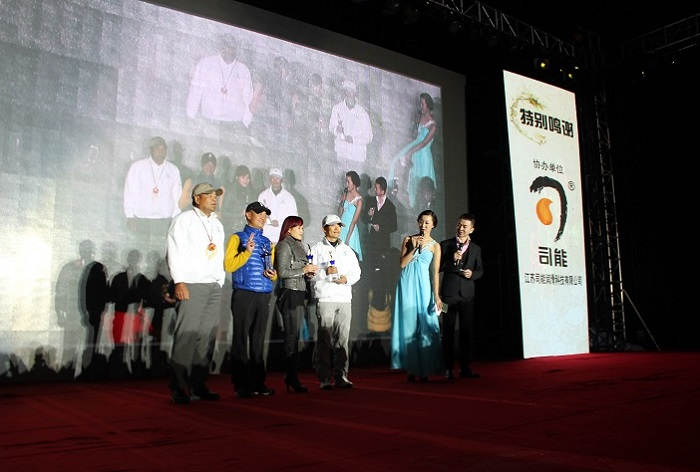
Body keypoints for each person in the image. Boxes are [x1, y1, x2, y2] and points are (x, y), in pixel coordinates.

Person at [166, 183, 225, 404]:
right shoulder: (184, 220)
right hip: (191, 283)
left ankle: (198, 384)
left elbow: (217, 255)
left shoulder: (217, 224)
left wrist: (219, 280)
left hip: (213, 286)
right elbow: (174, 250)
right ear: (196, 198)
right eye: (208, 195)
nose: (214, 198)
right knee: (187, 336)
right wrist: (179, 281)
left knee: (206, 338)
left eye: (215, 195)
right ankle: (179, 387)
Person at [225, 201, 277, 398]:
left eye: (265, 214)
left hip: (264, 294)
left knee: (258, 340)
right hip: (244, 293)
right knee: (241, 339)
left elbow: (272, 271)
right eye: (259, 213)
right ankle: (241, 384)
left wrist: (273, 275)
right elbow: (229, 265)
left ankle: (258, 383)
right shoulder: (237, 238)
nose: (263, 217)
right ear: (248, 214)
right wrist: (246, 252)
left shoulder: (268, 242)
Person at [309, 214, 361, 389]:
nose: (337, 228)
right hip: (325, 297)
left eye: (339, 225)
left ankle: (341, 376)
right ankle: (324, 378)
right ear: (324, 228)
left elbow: (357, 272)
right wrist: (325, 273)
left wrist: (346, 279)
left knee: (342, 340)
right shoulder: (316, 249)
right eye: (333, 225)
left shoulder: (347, 250)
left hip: (344, 298)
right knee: (324, 339)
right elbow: (310, 274)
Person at [391, 210, 443, 382]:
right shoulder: (408, 240)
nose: (423, 225)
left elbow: (435, 273)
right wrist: (414, 248)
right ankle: (412, 368)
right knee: (409, 326)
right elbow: (402, 264)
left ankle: (426, 369)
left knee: (426, 325)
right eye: (421, 221)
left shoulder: (435, 246)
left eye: (427, 222)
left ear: (433, 225)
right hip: (406, 284)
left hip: (424, 286)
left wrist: (436, 295)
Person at [274, 216, 319, 393]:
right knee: (291, 336)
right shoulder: (284, 245)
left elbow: (298, 270)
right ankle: (291, 377)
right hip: (290, 292)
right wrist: (304, 270)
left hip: (299, 292)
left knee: (295, 336)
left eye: (302, 227)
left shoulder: (301, 245)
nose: (302, 230)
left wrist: (307, 273)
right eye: (298, 227)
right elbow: (282, 271)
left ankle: (292, 376)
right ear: (289, 229)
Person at [439, 213, 483, 379]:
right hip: (447, 296)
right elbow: (438, 267)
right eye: (459, 225)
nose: (461, 228)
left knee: (466, 332)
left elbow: (480, 270)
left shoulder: (476, 249)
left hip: (467, 296)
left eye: (465, 226)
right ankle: (447, 368)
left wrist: (472, 274)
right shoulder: (446, 244)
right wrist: (451, 259)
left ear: (472, 229)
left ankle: (465, 368)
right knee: (447, 331)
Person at [186, 36, 254, 127]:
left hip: (235, 121)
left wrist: (246, 121)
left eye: (232, 47)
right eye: (226, 46)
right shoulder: (206, 63)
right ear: (221, 48)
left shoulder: (243, 69)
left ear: (236, 49)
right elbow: (196, 90)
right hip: (209, 119)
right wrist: (191, 114)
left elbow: (248, 96)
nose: (229, 50)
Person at [388, 93, 438, 209]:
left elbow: (424, 143)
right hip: (415, 148)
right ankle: (410, 205)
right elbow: (415, 136)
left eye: (422, 104)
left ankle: (423, 208)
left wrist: (410, 152)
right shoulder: (420, 118)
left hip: (423, 155)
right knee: (399, 164)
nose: (420, 106)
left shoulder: (433, 126)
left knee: (421, 181)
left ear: (428, 106)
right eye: (420, 103)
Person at [123, 137, 182, 232]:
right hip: (141, 218)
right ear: (151, 150)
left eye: (163, 149)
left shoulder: (173, 170)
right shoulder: (137, 167)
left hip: (165, 219)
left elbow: (177, 195)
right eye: (157, 148)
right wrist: (130, 216)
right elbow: (129, 192)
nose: (160, 152)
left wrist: (175, 217)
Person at [328, 80, 373, 163]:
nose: (349, 95)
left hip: (357, 156)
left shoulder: (362, 113)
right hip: (341, 154)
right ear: (344, 93)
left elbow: (369, 137)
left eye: (351, 92)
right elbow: (331, 127)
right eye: (347, 92)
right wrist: (336, 129)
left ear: (355, 94)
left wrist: (353, 140)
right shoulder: (337, 108)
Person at [258, 168, 298, 243]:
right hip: (266, 237)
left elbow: (294, 218)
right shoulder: (262, 196)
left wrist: (280, 223)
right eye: (273, 178)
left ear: (281, 180)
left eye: (277, 178)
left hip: (282, 238)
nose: (275, 181)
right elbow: (258, 215)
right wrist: (269, 222)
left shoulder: (289, 198)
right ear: (270, 179)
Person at [337, 171, 363, 261]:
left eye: (348, 182)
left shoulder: (359, 200)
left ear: (354, 183)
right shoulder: (345, 194)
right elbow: (339, 214)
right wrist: (342, 201)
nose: (346, 184)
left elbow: (354, 222)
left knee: (349, 259)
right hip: (342, 228)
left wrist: (347, 239)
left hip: (350, 232)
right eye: (346, 182)